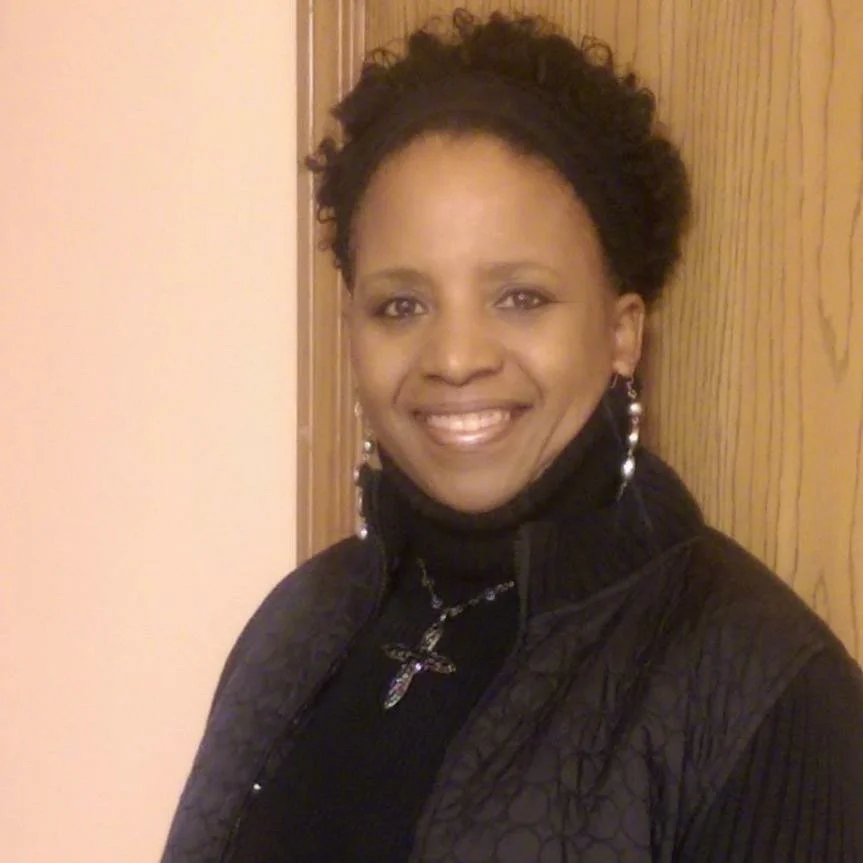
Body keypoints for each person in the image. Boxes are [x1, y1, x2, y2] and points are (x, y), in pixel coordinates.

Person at [161, 11, 863, 862]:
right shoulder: (295, 626)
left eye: (520, 297)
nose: (455, 357)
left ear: (621, 331)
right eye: (401, 305)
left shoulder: (764, 687)